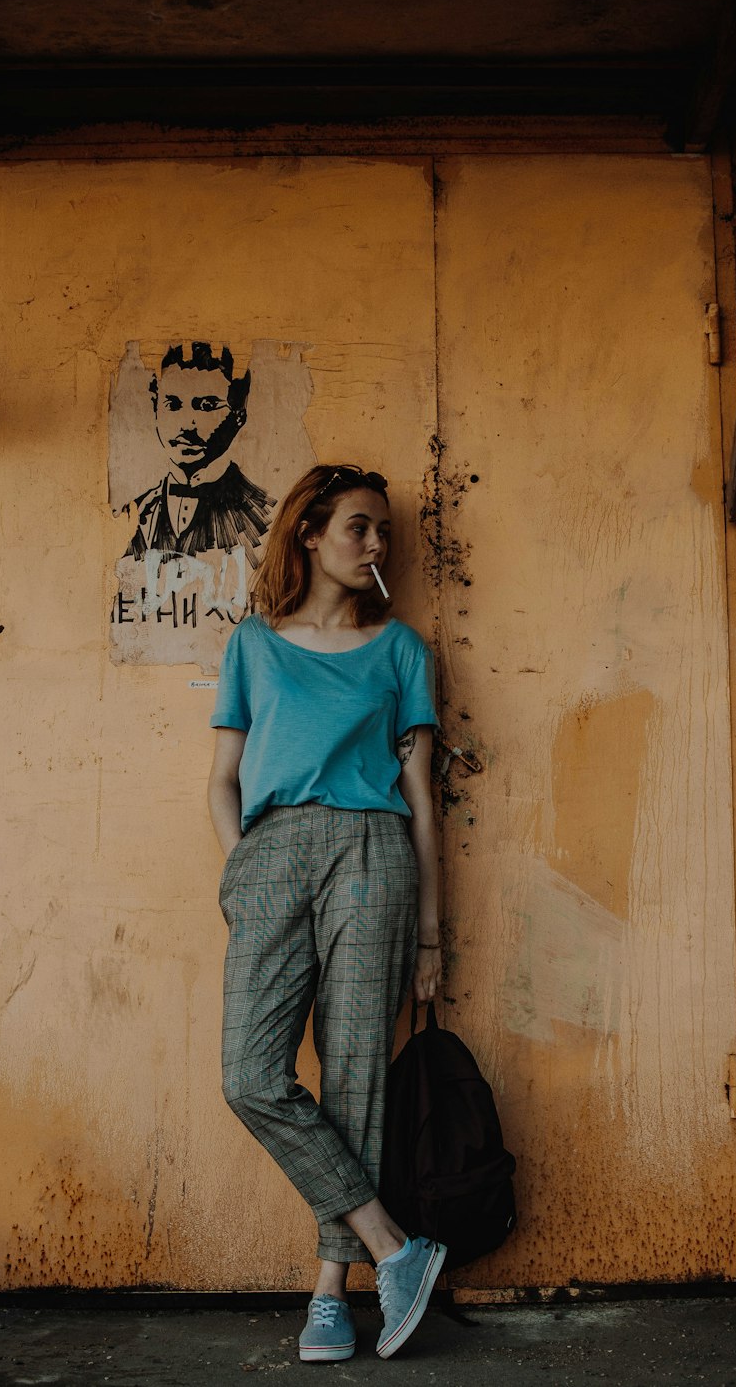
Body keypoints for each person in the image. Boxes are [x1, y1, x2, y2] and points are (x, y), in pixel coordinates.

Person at [208, 463, 446, 1363]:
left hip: (372, 855)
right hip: (272, 855)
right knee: (251, 1075)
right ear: (309, 533)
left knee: (356, 1074)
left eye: (383, 531)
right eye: (359, 527)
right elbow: (222, 781)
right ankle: (397, 1248)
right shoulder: (254, 645)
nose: (376, 544)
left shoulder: (401, 651)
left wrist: (430, 930)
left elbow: (421, 800)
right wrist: (243, 874)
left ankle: (330, 1296)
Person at [124, 341, 273, 566]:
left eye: (207, 406)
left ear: (238, 415)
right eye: (172, 405)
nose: (187, 425)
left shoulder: (261, 513)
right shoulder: (140, 509)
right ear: (155, 408)